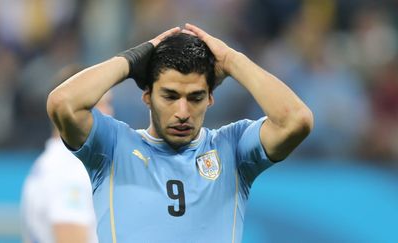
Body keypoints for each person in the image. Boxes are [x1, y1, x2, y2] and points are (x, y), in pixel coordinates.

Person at [47, 24, 313, 243]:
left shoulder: (233, 149)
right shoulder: (112, 146)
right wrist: (131, 61)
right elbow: (62, 103)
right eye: (170, 96)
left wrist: (233, 61)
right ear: (148, 96)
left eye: (195, 97)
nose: (183, 112)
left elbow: (296, 120)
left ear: (210, 98)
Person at [21, 65, 114, 243]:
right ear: (75, 108)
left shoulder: (49, 163)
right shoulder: (69, 169)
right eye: (102, 104)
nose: (110, 113)